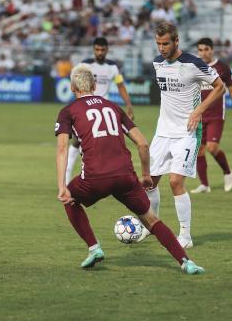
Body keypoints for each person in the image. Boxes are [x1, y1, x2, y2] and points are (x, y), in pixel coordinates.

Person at [55, 63, 204, 275]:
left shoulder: (68, 111)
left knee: (70, 199)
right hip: (125, 177)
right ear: (95, 85)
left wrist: (62, 185)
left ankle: (94, 248)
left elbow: (62, 148)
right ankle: (186, 262)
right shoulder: (114, 107)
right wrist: (145, 176)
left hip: (94, 178)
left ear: (72, 88)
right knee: (152, 221)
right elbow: (142, 143)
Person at [139, 23, 225, 248]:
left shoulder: (193, 63)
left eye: (165, 43)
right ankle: (151, 226)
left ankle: (185, 236)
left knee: (175, 182)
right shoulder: (158, 63)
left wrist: (198, 111)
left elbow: (220, 87)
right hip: (163, 132)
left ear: (176, 41)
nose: (161, 48)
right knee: (149, 183)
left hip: (187, 133)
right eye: (158, 44)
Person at [65, 37, 135, 184]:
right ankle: (66, 176)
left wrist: (128, 105)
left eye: (102, 50)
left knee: (107, 141)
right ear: (93, 49)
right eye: (97, 49)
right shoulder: (85, 65)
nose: (100, 52)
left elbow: (120, 85)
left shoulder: (113, 67)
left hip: (103, 108)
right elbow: (74, 82)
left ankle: (106, 178)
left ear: (107, 50)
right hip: (85, 109)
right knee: (77, 141)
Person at [191, 37, 232, 194]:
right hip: (199, 115)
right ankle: (205, 185)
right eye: (200, 50)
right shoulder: (194, 68)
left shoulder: (222, 68)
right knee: (199, 151)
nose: (203, 53)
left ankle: (228, 172)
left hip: (216, 115)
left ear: (212, 50)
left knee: (212, 147)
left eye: (206, 49)